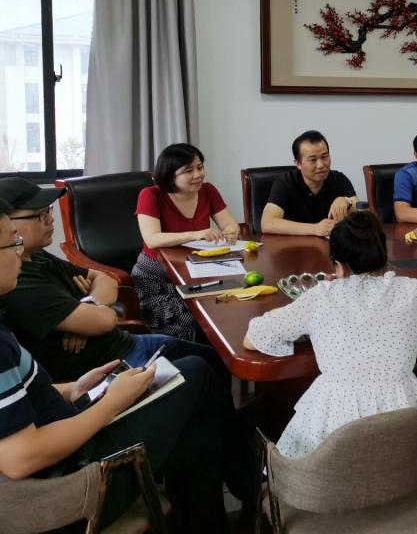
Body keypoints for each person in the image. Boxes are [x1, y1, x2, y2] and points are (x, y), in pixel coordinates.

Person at [0, 198, 255, 532]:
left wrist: (72, 389)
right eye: (12, 243)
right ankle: (253, 490)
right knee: (198, 373)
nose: (19, 252)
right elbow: (20, 458)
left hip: (68, 435)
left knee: (199, 429)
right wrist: (113, 403)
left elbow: (22, 398)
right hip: (70, 485)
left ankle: (228, 510)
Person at [244, 211, 417, 458]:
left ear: (339, 266)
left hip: (332, 443)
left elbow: (253, 339)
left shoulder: (322, 296)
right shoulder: (411, 291)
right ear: (383, 256)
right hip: (402, 440)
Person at [0, 179, 225, 383]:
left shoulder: (37, 256)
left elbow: (104, 279)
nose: (50, 219)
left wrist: (85, 310)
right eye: (39, 215)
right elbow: (105, 320)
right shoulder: (20, 282)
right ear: (7, 223)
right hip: (107, 369)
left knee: (217, 360)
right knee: (202, 370)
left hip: (125, 344)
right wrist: (91, 317)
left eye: (48, 211)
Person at [133, 143, 240, 341]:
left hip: (197, 271)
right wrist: (195, 234)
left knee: (229, 309)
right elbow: (152, 238)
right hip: (158, 277)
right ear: (170, 175)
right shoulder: (150, 195)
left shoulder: (208, 191)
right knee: (195, 321)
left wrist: (231, 231)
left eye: (200, 167)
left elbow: (229, 223)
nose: (198, 175)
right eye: (188, 171)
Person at [261, 130, 358, 236]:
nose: (321, 165)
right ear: (298, 164)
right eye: (313, 160)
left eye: (324, 157)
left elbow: (362, 209)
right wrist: (315, 229)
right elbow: (267, 223)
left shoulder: (338, 179)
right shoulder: (285, 182)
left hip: (330, 245)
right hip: (294, 244)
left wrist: (346, 201)